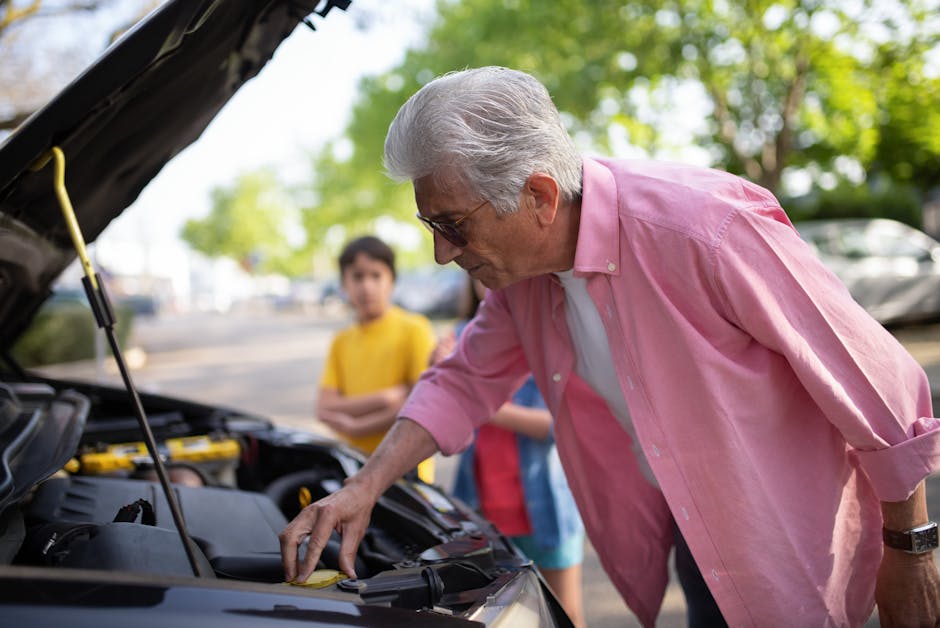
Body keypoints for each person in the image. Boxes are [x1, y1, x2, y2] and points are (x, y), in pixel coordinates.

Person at [281, 67, 940, 627]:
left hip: (791, 542)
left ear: (538, 194)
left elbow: (876, 383)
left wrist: (911, 549)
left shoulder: (704, 229)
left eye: (452, 225)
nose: (440, 253)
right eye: (430, 225)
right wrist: (362, 488)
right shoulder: (522, 281)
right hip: (697, 534)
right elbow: (461, 381)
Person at [437, 275, 585, 627]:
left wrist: (481, 402)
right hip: (481, 509)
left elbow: (557, 426)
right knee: (501, 618)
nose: (486, 280)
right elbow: (445, 424)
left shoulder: (551, 333)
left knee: (565, 614)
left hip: (546, 509)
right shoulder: (459, 338)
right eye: (476, 273)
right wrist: (442, 374)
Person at [315, 235, 436, 483]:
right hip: (355, 466)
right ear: (344, 283)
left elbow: (420, 404)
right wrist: (385, 398)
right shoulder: (342, 340)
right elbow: (324, 406)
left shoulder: (414, 329)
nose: (367, 286)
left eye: (376, 275)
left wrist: (356, 426)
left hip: (406, 468)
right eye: (357, 277)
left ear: (391, 279)